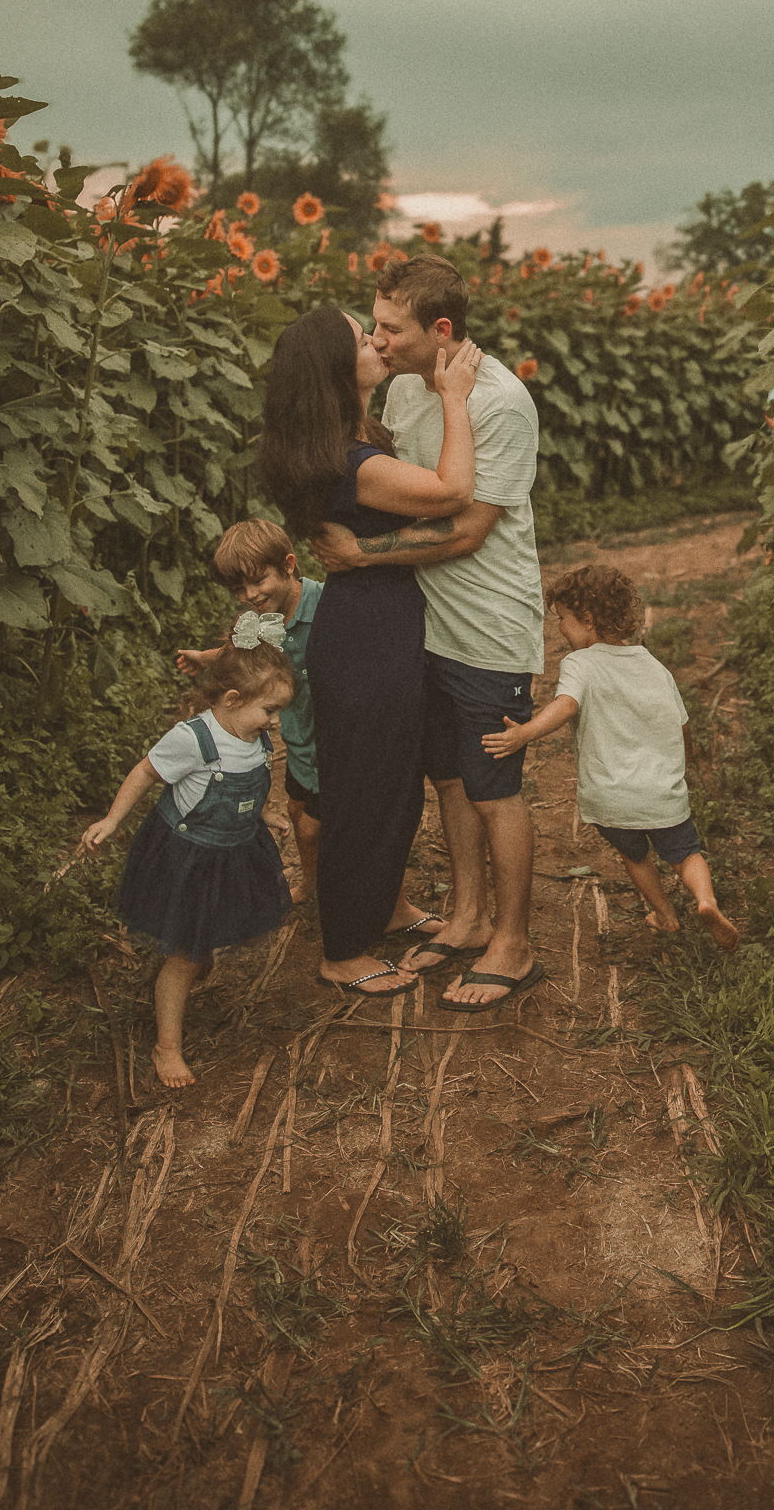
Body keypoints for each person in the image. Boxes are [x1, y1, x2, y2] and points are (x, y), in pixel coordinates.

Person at [314, 252, 546, 1015]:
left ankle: (513, 941)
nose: (377, 343)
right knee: (449, 777)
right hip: (428, 624)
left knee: (495, 788)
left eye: (391, 330)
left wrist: (359, 554)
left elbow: (470, 528)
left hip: (487, 625)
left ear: (440, 329)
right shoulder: (413, 390)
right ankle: (470, 915)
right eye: (372, 327)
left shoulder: (500, 402)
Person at [258, 302, 483, 997]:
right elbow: (452, 491)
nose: (379, 343)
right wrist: (454, 399)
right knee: (368, 791)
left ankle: (386, 905)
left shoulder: (357, 437)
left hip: (373, 622)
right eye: (365, 338)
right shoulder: (352, 463)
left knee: (390, 780)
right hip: (367, 635)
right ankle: (346, 951)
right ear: (336, 368)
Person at [483, 563, 740, 953]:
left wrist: (524, 733)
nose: (559, 629)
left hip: (611, 798)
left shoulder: (580, 664)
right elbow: (682, 724)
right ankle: (706, 901)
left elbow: (566, 704)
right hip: (662, 792)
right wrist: (686, 762)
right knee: (685, 854)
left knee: (634, 856)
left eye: (563, 619)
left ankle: (664, 913)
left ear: (587, 620)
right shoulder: (654, 666)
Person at [78, 632, 297, 1088]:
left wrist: (264, 812)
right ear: (234, 699)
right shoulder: (194, 739)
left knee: (212, 924)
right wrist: (112, 820)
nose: (275, 722)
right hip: (189, 856)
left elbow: (247, 783)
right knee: (182, 952)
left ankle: (196, 954)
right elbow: (144, 772)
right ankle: (167, 1046)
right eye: (269, 710)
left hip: (235, 850)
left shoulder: (251, 734)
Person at [178, 519, 323, 904]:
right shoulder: (260, 622)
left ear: (289, 565)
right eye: (240, 588)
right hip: (299, 742)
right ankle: (311, 882)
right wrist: (206, 658)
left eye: (259, 581)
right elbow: (242, 654)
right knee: (296, 809)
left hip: (333, 743)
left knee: (313, 827)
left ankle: (353, 893)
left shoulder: (327, 605)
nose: (251, 595)